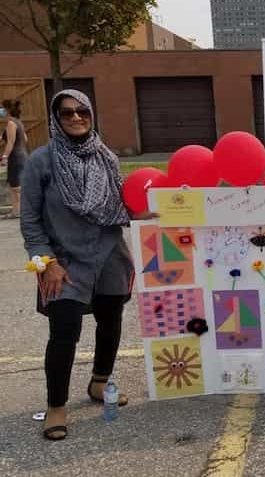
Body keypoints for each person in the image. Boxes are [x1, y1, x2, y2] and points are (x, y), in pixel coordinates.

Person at [20, 89, 152, 441]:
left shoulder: (106, 157)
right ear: (55, 118)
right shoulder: (41, 161)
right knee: (64, 332)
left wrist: (158, 210)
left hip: (110, 254)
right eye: (66, 113)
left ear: (92, 115)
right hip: (62, 261)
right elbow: (30, 222)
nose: (76, 118)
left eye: (83, 112)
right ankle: (56, 407)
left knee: (111, 320)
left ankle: (99, 381)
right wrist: (44, 263)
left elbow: (123, 203)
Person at [1, 99, 28, 218]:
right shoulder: (18, 122)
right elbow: (25, 139)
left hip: (15, 157)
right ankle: (15, 211)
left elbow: (10, 142)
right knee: (13, 185)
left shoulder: (11, 123)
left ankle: (25, 211)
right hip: (21, 155)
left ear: (7, 110)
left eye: (2, 108)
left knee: (17, 187)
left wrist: (5, 156)